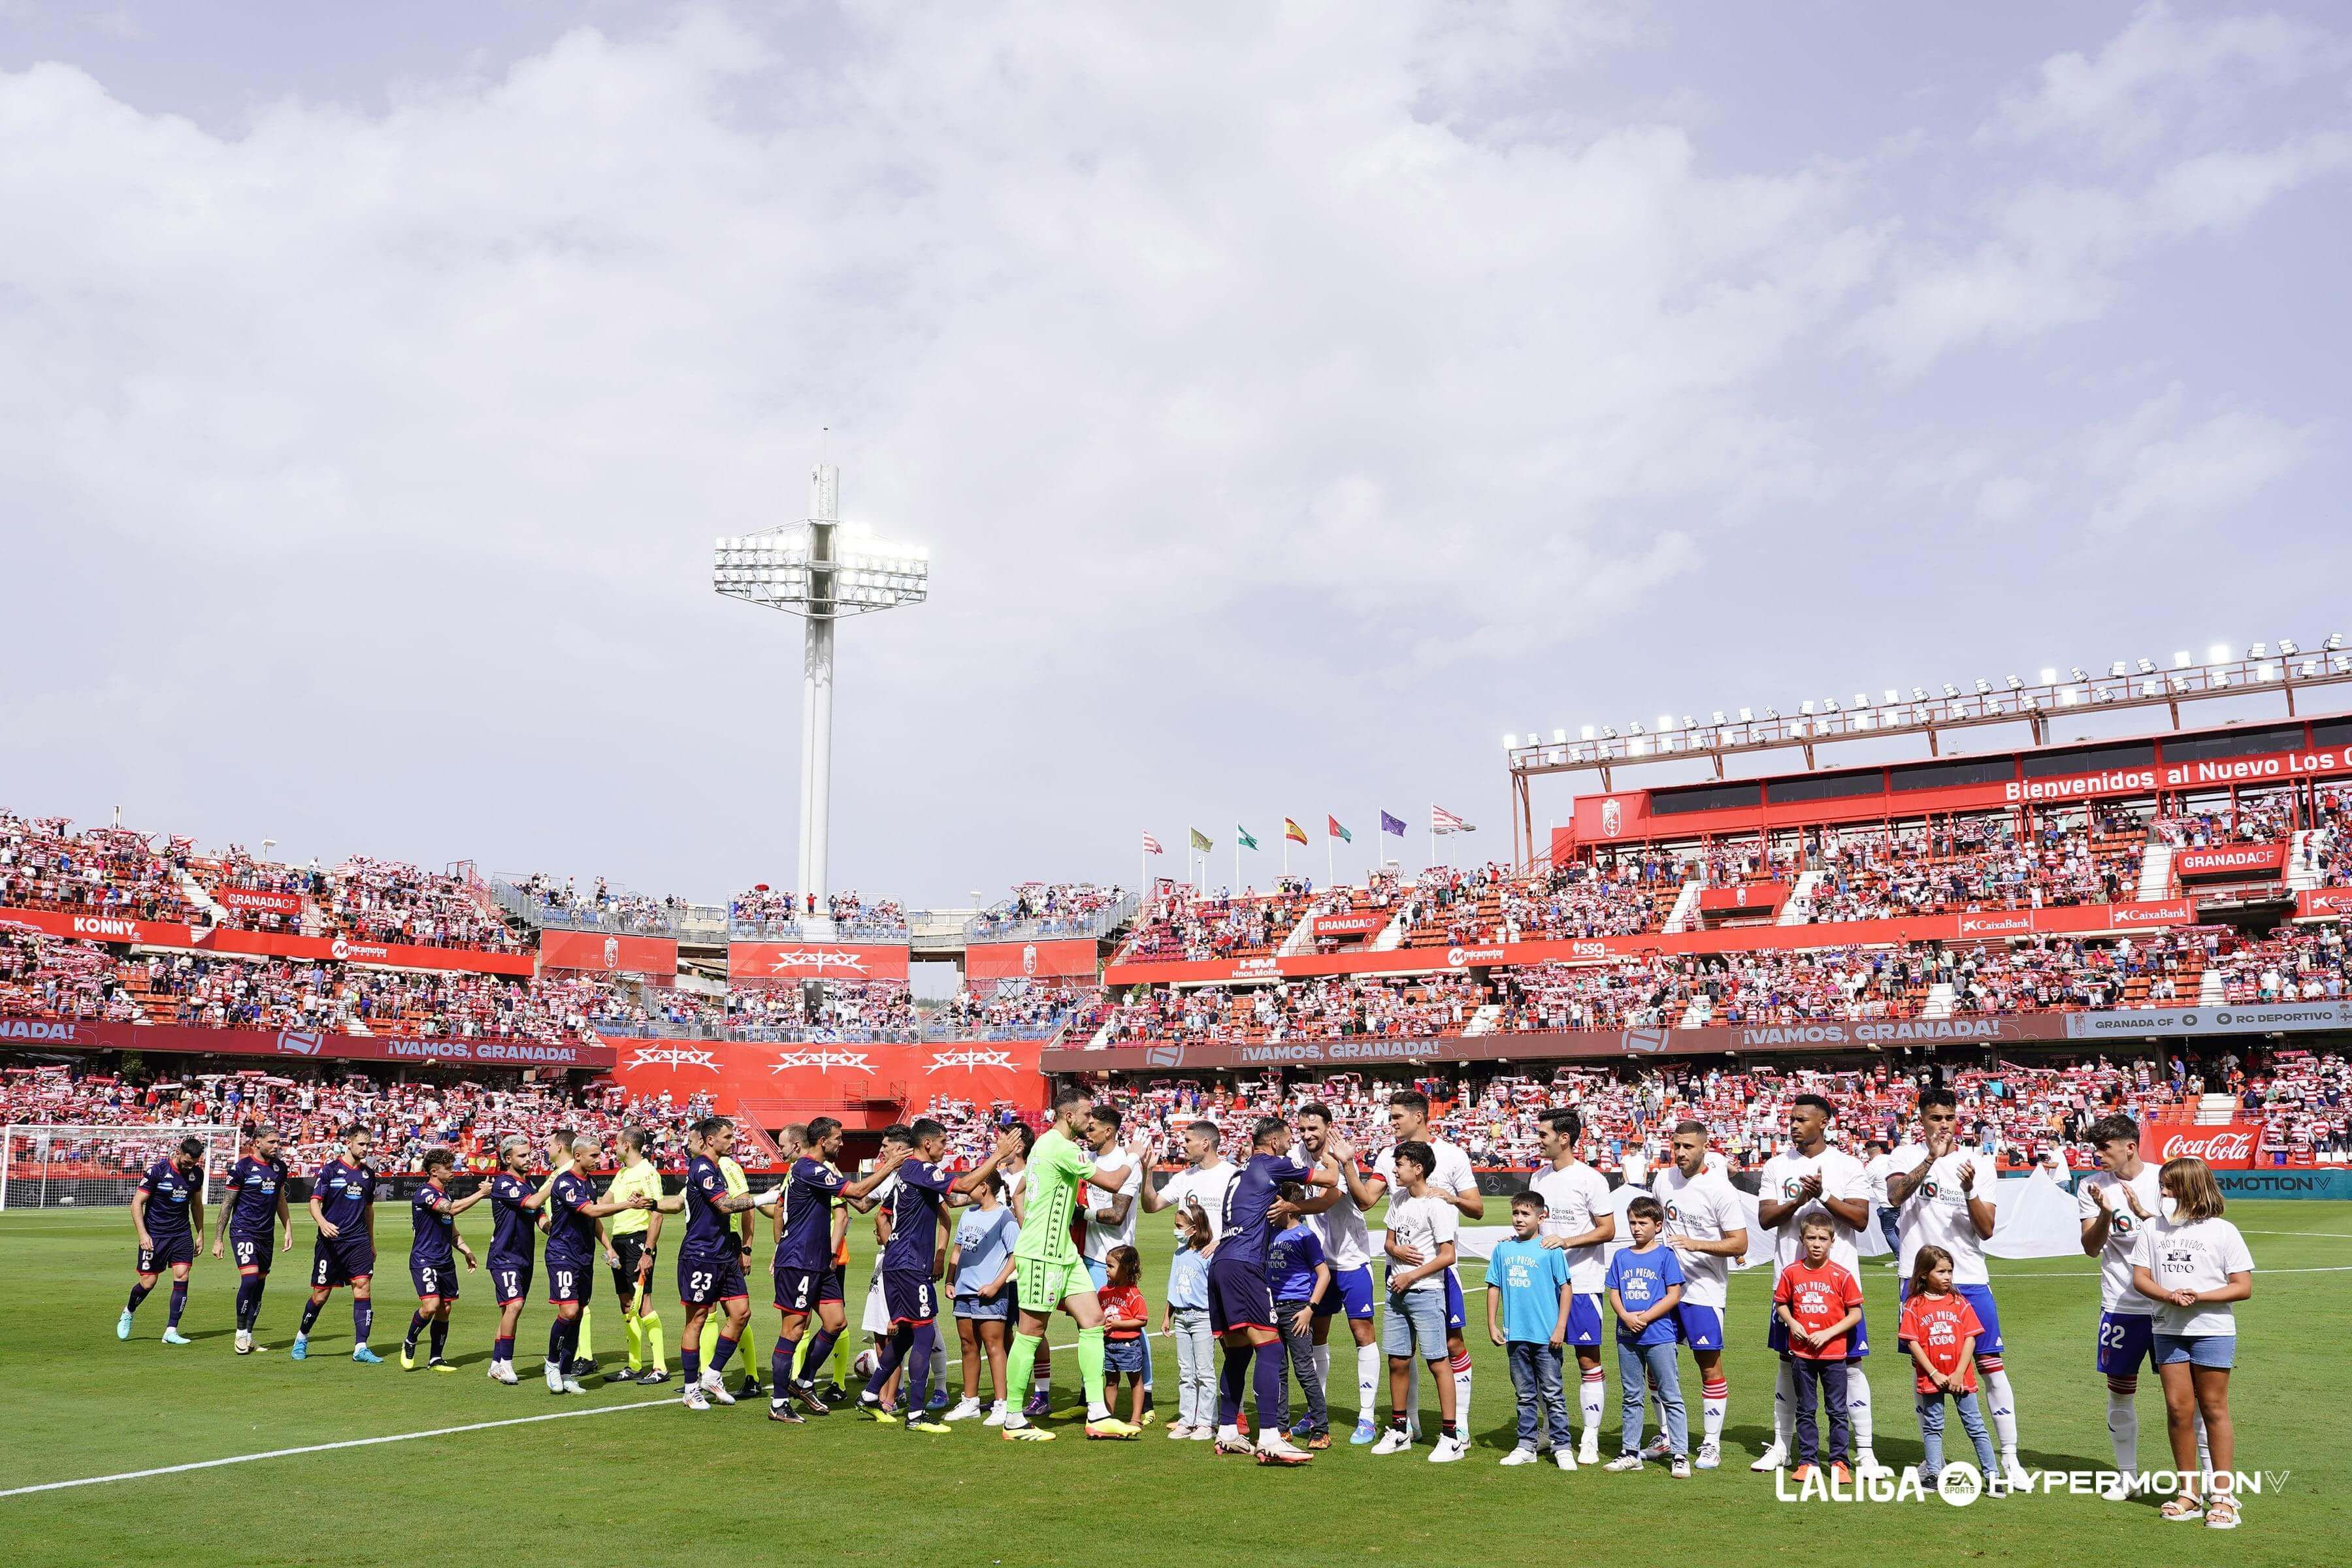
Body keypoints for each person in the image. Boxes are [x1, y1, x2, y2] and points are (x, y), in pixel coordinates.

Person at [1887, 1086, 2025, 1488]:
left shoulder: (1978, 1163)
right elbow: (1896, 1197)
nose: (1943, 1126)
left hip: (1969, 1279)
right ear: (1921, 1120)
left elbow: (1986, 1230)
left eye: (1949, 1118)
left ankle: (2010, 1460)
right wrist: (1930, 1158)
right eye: (1935, 1118)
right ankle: (1933, 1462)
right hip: (1917, 1283)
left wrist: (1967, 1192)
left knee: (1991, 1368)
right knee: (1924, 1375)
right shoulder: (1904, 1156)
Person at [998, 1087, 1151, 1442]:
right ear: (1070, 1116)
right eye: (1086, 1116)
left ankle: (1097, 1414)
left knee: (1094, 1320)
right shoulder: (1060, 1147)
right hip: (1043, 1252)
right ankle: (1013, 1419)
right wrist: (1134, 1156)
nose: (1090, 1121)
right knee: (1031, 1331)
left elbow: (1024, 1193)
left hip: (1063, 1250)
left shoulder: (1050, 1146)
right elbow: (1113, 1181)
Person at [1752, 1094, 1881, 1475]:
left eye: (1802, 1120)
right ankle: (1783, 1447)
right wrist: (1799, 1199)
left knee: (1851, 1366)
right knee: (1788, 1364)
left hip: (1840, 1288)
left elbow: (1860, 1219)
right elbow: (1765, 1219)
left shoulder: (1847, 1165)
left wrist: (1823, 1194)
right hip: (1790, 1288)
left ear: (1823, 1122)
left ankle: (1864, 1452)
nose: (1793, 1125)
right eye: (1791, 1119)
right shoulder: (1777, 1165)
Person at [1205, 1115, 1339, 1464]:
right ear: (1277, 1141)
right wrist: (1335, 1158)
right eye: (1288, 1138)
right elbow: (1331, 1180)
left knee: (1237, 1351)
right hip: (1247, 1264)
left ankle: (1228, 1432)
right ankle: (1270, 1439)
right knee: (1272, 1348)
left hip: (1221, 1263)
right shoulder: (1274, 1163)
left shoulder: (1239, 1171)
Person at [2130, 1156, 2255, 1528]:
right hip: (2167, 1328)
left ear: (2190, 1189)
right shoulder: (2152, 1228)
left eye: (2169, 1186)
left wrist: (2198, 1295)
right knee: (2178, 1410)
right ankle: (2189, 1494)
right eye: (2163, 1186)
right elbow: (2141, 1278)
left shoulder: (2223, 1231)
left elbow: (2243, 1287)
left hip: (2213, 1329)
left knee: (2214, 1408)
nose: (2163, 1192)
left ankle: (2224, 1496)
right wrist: (2169, 1297)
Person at [2078, 1113, 2200, 1491]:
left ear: (2130, 1147)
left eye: (2105, 1148)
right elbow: (2091, 1248)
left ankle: (2209, 1480)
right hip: (2121, 1305)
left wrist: (2146, 1217)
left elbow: (2193, 1234)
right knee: (2119, 1389)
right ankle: (2127, 1476)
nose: (2098, 1155)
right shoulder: (2091, 1186)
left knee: (2186, 1398)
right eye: (2095, 1148)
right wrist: (2105, 1214)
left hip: (2170, 1304)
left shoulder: (2167, 1179)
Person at [853, 1119, 992, 1433]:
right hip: (911, 1265)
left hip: (897, 1262)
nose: (946, 1147)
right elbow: (965, 1187)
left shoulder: (907, 1175)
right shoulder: (922, 1170)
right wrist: (997, 1157)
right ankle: (916, 1415)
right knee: (925, 1333)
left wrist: (891, 1241)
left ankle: (870, 1393)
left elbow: (886, 1212)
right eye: (943, 1142)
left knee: (904, 1333)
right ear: (927, 1144)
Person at [1361, 1091, 1484, 1441]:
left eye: (1397, 1115)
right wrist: (1348, 1166)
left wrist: (1451, 1197)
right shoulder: (1388, 1156)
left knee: (1452, 1344)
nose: (1392, 1122)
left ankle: (1458, 1423)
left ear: (1418, 1117)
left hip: (1439, 1274)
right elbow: (1368, 1200)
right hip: (1397, 1272)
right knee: (1401, 1351)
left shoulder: (1453, 1155)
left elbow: (1476, 1209)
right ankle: (1408, 1423)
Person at [770, 1115, 904, 1420]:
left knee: (836, 1322)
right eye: (838, 1139)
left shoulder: (810, 1169)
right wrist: (890, 1165)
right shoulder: (808, 1167)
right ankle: (778, 1404)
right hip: (799, 1261)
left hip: (818, 1261)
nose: (842, 1143)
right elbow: (856, 1193)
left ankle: (803, 1382)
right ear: (822, 1141)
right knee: (792, 1330)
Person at [1653, 1120, 1748, 1469]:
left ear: (1704, 1147)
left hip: (1704, 1291)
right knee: (1656, 1365)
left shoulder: (1719, 1189)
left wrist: (1694, 1244)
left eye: (1688, 1147)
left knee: (1708, 1365)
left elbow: (1740, 1242)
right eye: (1676, 1146)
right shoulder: (1662, 1181)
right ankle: (1666, 1436)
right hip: (1664, 1291)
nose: (1680, 1153)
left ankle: (1710, 1443)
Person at [1528, 1108, 1614, 1465]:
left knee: (1587, 1358)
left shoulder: (1591, 1179)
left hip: (1582, 1283)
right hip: (1543, 1287)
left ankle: (1590, 1437)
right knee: (1545, 1361)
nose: (1539, 1140)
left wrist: (1566, 1241)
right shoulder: (1538, 1178)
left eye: (1544, 1134)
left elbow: (1607, 1230)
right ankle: (1550, 1428)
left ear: (1564, 1138)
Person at [1371, 1141, 1465, 1462]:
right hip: (1396, 1291)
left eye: (1399, 1165)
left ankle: (1451, 1436)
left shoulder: (1437, 1205)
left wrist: (1411, 1276)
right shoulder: (1398, 1199)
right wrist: (1396, 1252)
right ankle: (1400, 1430)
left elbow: (1448, 1255)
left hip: (1425, 1291)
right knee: (1397, 1360)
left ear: (1418, 1168)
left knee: (1438, 1361)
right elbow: (1389, 1241)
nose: (1395, 1170)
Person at [1295, 1103, 1382, 1445]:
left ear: (1328, 1126)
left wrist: (1290, 1208)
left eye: (1313, 1129)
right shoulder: (1298, 1152)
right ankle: (1317, 1412)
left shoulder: (1340, 1154)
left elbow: (1327, 1200)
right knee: (1316, 1336)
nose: (1307, 1135)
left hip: (1351, 1262)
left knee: (1363, 1334)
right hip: (1318, 1265)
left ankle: (1367, 1417)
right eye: (1302, 1129)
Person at [543, 1134, 653, 1396]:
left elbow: (593, 1220)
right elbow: (591, 1211)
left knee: (579, 1313)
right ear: (578, 1156)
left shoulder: (588, 1183)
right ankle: (552, 1363)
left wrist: (608, 1246)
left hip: (583, 1257)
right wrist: (629, 1204)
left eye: (600, 1153)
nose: (599, 1159)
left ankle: (567, 1373)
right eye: (594, 1155)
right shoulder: (565, 1181)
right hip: (562, 1255)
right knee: (568, 1312)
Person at [676, 1117, 768, 1411]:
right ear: (710, 1139)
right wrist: (764, 1197)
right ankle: (691, 1388)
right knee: (698, 1319)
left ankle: (713, 1374)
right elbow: (725, 1205)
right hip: (701, 1254)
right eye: (728, 1137)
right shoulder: (702, 1166)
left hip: (724, 1253)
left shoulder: (717, 1167)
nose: (733, 1141)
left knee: (741, 1313)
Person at [1899, 1244, 1998, 1496]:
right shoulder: (1914, 1305)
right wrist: (1934, 1373)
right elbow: (1913, 1342)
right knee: (1933, 1426)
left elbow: (1971, 1338)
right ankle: (1934, 1473)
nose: (1947, 1277)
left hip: (1960, 1378)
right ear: (1923, 1274)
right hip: (1932, 1377)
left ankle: (1993, 1476)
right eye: (1941, 1272)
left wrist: (1958, 1373)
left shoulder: (1959, 1302)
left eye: (1950, 1272)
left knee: (1975, 1425)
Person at [1485, 1190, 1574, 1469]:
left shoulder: (1551, 1249)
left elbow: (1566, 1288)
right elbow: (1494, 1286)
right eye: (1515, 1213)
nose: (1519, 1219)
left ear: (1540, 1216)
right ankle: (1526, 1445)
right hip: (1516, 1334)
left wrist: (1560, 1326)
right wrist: (1491, 1323)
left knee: (1552, 1393)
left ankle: (1562, 1446)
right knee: (1524, 1395)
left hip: (1546, 1336)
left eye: (1526, 1214)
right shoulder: (1503, 1249)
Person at [1772, 1217, 1863, 1483]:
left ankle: (1839, 1463)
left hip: (1834, 1355)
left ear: (1832, 1242)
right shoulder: (1791, 1272)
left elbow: (1855, 1313)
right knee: (1806, 1409)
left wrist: (1828, 1333)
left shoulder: (1842, 1275)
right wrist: (1792, 1323)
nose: (1816, 1244)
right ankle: (1808, 1462)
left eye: (1823, 1239)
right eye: (1811, 1238)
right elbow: (1781, 1304)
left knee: (1836, 1411)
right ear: (1802, 1240)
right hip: (1801, 1354)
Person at [1604, 1195, 1689, 1476]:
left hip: (1659, 1335)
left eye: (1643, 1222)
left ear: (1659, 1225)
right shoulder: (1621, 1256)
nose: (1636, 1228)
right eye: (1632, 1222)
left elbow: (1673, 1294)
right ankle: (1630, 1452)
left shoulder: (1665, 1256)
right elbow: (1614, 1292)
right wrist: (1627, 1317)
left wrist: (1645, 1317)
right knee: (1631, 1395)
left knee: (1670, 1394)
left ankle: (1679, 1454)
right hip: (1626, 1335)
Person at [1081, 1103, 1150, 1417]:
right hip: (1088, 1257)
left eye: (1093, 1126)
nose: (1087, 1130)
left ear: (1109, 1131)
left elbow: (1118, 1215)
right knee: (1092, 1327)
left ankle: (1145, 1396)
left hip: (1116, 1261)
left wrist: (1080, 1214)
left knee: (1131, 1328)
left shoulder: (1126, 1163)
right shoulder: (1089, 1160)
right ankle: (1091, 1396)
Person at [295, 1126, 380, 1364]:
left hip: (358, 1242)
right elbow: (314, 1202)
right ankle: (302, 1337)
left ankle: (361, 1348)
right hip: (330, 1244)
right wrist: (322, 1222)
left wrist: (371, 1242)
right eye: (361, 1144)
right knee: (320, 1296)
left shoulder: (368, 1175)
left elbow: (369, 1210)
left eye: (368, 1145)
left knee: (363, 1287)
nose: (365, 1149)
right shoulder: (330, 1170)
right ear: (349, 1143)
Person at [944, 1171, 1018, 1424]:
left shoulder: (1004, 1217)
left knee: (994, 1346)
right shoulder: (968, 1214)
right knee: (968, 1345)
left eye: (972, 1185)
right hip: (963, 1292)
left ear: (984, 1187)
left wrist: (996, 1285)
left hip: (991, 1293)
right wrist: (950, 1280)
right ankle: (970, 1402)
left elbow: (1016, 1255)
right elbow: (957, 1250)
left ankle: (1002, 1404)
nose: (966, 1189)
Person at [401, 1148, 483, 1372]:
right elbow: (452, 1209)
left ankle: (435, 1359)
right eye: (448, 1168)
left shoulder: (445, 1194)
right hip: (425, 1259)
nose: (453, 1171)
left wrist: (466, 1251)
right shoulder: (425, 1193)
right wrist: (480, 1194)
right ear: (435, 1172)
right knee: (430, 1306)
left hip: (445, 1260)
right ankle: (410, 1341)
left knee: (445, 1309)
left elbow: (452, 1231)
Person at [120, 1135, 206, 1345]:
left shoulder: (197, 1174)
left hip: (181, 1235)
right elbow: (136, 1203)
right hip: (155, 1235)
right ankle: (129, 1310)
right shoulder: (157, 1172)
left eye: (194, 1163)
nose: (190, 1167)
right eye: (187, 1162)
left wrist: (201, 1234)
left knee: (182, 1275)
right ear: (178, 1153)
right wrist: (143, 1234)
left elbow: (196, 1205)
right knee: (148, 1282)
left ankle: (171, 1330)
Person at [214, 1125, 291, 1354]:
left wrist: (288, 1229)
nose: (276, 1146)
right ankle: (239, 1334)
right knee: (249, 1280)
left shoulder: (280, 1168)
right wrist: (218, 1239)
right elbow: (227, 1204)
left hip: (266, 1235)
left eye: (278, 1142)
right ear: (257, 1142)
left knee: (259, 1285)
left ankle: (249, 1336)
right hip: (243, 1231)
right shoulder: (242, 1168)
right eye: (272, 1142)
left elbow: (280, 1200)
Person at [603, 1126, 670, 1385]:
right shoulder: (621, 1174)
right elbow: (603, 1205)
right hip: (619, 1242)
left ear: (627, 1145)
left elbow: (658, 1212)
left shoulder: (647, 1172)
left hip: (637, 1242)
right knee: (626, 1304)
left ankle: (661, 1367)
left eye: (617, 1144)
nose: (614, 1148)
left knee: (643, 1304)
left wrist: (648, 1251)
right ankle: (634, 1365)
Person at [483, 1134, 550, 1386]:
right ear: (508, 1158)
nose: (529, 1158)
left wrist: (556, 1230)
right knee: (515, 1305)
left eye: (529, 1153)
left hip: (524, 1257)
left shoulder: (529, 1182)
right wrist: (554, 1183)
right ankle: (507, 1364)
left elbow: (539, 1216)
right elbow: (532, 1202)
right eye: (522, 1155)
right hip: (504, 1256)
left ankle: (495, 1364)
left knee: (509, 1310)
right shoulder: (503, 1183)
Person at [1267, 1181, 1331, 1447]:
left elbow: (1324, 1274)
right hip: (1271, 1311)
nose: (1271, 1210)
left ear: (1290, 1207)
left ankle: (1321, 1429)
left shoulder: (1305, 1236)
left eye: (1276, 1205)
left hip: (1297, 1311)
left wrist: (1310, 1310)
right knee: (1277, 1372)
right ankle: (1282, 1428)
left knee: (1304, 1370)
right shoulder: (1270, 1233)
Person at [1159, 1200, 1215, 1441]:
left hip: (1202, 1317)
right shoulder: (1179, 1254)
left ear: (1194, 1228)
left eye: (1180, 1226)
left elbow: (1214, 1290)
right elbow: (1174, 1287)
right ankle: (1187, 1420)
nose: (1176, 1230)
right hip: (1181, 1318)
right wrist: (1166, 1317)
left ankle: (1206, 1422)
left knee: (1204, 1372)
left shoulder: (1207, 1255)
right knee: (1186, 1372)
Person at [1099, 1243, 1150, 1428]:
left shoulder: (1133, 1295)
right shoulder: (1103, 1293)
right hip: (1108, 1344)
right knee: (1111, 1380)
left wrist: (1118, 1324)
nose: (1106, 1270)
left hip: (1128, 1345)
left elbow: (1142, 1320)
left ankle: (1136, 1418)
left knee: (1135, 1380)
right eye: (1107, 1265)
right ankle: (1108, 1417)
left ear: (1126, 1268)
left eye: (1111, 1266)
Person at [1863, 1139, 1900, 1266]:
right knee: (1893, 1228)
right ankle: (1905, 1254)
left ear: (1868, 1153)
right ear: (1881, 1150)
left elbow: (1863, 1184)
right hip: (1901, 1200)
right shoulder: (1891, 1159)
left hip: (1887, 1204)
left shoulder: (1871, 1167)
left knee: (1888, 1231)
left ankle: (1901, 1258)